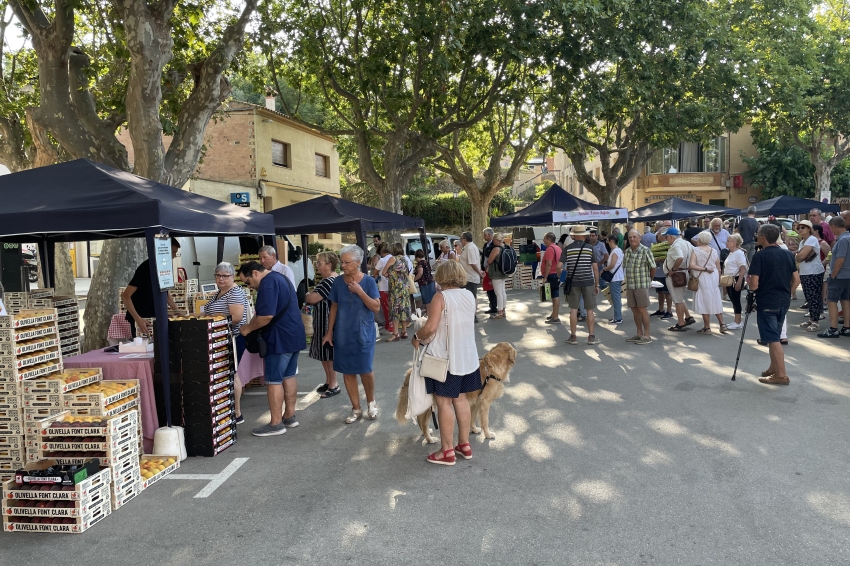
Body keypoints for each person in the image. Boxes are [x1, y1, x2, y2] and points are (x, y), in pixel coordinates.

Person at [412, 261, 481, 466]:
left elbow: (431, 327)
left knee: (444, 403)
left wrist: (416, 336)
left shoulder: (440, 297)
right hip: (467, 357)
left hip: (445, 359)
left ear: (441, 276)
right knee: (461, 400)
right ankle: (464, 444)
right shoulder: (469, 295)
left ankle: (447, 450)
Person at [238, 261, 306, 437]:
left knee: (274, 380)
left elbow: (266, 316)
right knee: (289, 375)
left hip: (279, 337)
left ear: (255, 273)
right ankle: (290, 416)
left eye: (248, 282)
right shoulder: (281, 278)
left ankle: (276, 423)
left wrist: (247, 328)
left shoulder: (268, 284)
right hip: (294, 334)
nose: (250, 287)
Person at [323, 245, 381, 422]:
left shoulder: (369, 282)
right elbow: (334, 306)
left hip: (363, 331)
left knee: (365, 369)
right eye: (342, 262)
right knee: (347, 372)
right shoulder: (338, 282)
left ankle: (371, 403)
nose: (343, 265)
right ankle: (356, 409)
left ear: (358, 262)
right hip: (343, 332)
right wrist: (329, 332)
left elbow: (376, 306)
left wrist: (359, 291)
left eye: (347, 262)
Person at [748, 224, 798, 384]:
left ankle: (781, 374)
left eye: (758, 235)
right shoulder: (787, 254)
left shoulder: (760, 256)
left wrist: (751, 288)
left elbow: (754, 283)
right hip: (783, 299)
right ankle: (773, 367)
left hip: (767, 300)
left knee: (773, 338)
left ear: (763, 238)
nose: (756, 237)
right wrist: (787, 293)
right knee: (773, 336)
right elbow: (796, 279)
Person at [201, 262, 250, 424]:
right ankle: (227, 409)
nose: (221, 279)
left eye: (225, 276)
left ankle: (237, 413)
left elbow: (236, 317)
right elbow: (208, 311)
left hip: (232, 338)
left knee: (233, 374)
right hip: (219, 338)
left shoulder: (234, 292)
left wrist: (212, 319)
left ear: (233, 276)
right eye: (218, 275)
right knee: (226, 374)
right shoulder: (220, 292)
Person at [123, 238, 181, 338]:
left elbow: (166, 293)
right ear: (163, 250)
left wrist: (178, 312)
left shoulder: (164, 268)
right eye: (173, 252)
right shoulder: (146, 268)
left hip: (155, 317)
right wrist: (138, 319)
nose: (174, 256)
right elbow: (126, 296)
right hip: (142, 318)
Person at [305, 251, 341, 399]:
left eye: (319, 263)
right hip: (323, 321)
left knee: (328, 354)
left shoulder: (328, 281)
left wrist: (307, 295)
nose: (317, 266)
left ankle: (333, 384)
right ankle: (329, 382)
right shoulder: (332, 279)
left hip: (326, 322)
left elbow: (312, 298)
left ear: (329, 264)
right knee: (324, 354)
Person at [562, 226, 601, 345]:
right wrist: (597, 284)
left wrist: (563, 278)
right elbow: (595, 268)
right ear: (584, 236)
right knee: (589, 310)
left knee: (573, 309)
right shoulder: (590, 248)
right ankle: (591, 337)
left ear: (573, 236)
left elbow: (559, 266)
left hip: (573, 282)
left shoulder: (567, 248)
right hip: (588, 282)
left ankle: (573, 337)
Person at [818, 217, 850, 338]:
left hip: (840, 276)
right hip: (848, 276)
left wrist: (833, 275)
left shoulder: (842, 240)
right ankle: (847, 327)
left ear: (834, 226)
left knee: (832, 301)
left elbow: (840, 260)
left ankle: (833, 328)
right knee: (845, 300)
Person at [689, 231, 727, 334]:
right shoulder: (713, 250)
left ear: (700, 240)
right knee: (714, 298)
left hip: (703, 276)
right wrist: (719, 278)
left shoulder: (696, 250)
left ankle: (707, 327)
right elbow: (718, 267)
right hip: (713, 275)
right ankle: (722, 323)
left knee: (704, 299)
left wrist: (704, 268)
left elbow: (692, 265)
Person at [623, 229, 656, 344]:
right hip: (631, 285)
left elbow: (653, 267)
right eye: (630, 237)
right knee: (634, 310)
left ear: (639, 238)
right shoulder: (627, 251)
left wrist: (649, 280)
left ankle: (647, 335)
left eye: (634, 237)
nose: (632, 239)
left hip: (641, 284)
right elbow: (625, 267)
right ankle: (639, 333)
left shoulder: (645, 250)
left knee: (642, 309)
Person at [662, 228, 696, 331]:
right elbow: (694, 253)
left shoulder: (676, 245)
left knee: (677, 300)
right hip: (682, 272)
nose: (666, 239)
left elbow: (680, 257)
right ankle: (688, 317)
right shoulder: (687, 243)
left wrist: (673, 269)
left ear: (671, 237)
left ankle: (681, 323)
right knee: (680, 297)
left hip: (676, 275)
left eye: (666, 237)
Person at [795, 220, 825, 332]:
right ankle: (812, 318)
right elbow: (799, 256)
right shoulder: (803, 241)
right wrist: (798, 256)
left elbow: (801, 256)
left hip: (814, 271)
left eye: (803, 227)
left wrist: (798, 256)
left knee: (814, 297)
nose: (800, 229)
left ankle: (815, 321)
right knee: (808, 297)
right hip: (805, 271)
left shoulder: (812, 239)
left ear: (809, 228)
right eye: (798, 228)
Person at [381, 242, 413, 341]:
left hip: (396, 288)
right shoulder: (405, 259)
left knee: (395, 310)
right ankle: (404, 331)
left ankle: (395, 333)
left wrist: (390, 275)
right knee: (403, 309)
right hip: (404, 288)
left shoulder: (393, 259)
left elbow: (383, 272)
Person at [723, 234, 748, 330]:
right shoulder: (731, 252)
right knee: (733, 300)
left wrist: (739, 281)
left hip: (736, 279)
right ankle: (736, 320)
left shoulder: (738, 253)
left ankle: (738, 321)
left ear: (734, 243)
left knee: (736, 300)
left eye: (728, 241)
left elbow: (743, 268)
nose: (727, 242)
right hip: (730, 279)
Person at [484, 233, 508, 319]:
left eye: (494, 239)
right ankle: (503, 309)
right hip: (503, 272)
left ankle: (500, 311)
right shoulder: (505, 247)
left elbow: (489, 261)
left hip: (496, 273)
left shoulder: (496, 249)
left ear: (497, 240)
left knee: (498, 293)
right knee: (502, 292)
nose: (493, 241)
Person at [457, 232, 481, 321]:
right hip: (467, 276)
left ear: (464, 239)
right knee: (470, 296)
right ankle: (471, 314)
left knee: (472, 296)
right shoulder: (469, 248)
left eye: (461, 239)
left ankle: (473, 315)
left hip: (470, 277)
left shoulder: (470, 248)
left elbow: (472, 263)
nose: (460, 241)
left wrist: (479, 272)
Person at [372, 243, 394, 334]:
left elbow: (375, 272)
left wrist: (377, 275)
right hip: (393, 286)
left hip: (383, 286)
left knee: (386, 308)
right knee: (392, 307)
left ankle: (389, 327)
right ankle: (393, 326)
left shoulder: (382, 260)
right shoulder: (393, 258)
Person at [541, 232, 562, 324]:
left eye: (544, 238)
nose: (543, 240)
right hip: (557, 274)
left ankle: (555, 316)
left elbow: (549, 263)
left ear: (549, 239)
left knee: (555, 295)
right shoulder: (558, 248)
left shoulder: (550, 249)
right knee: (554, 295)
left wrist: (545, 276)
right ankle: (554, 314)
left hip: (551, 274)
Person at [603, 234, 624, 324]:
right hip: (618, 276)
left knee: (616, 298)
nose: (608, 243)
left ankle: (618, 318)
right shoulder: (619, 250)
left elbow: (612, 264)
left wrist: (604, 269)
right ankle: (617, 317)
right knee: (617, 298)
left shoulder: (615, 251)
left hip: (615, 277)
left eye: (608, 241)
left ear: (612, 241)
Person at [481, 228, 498, 314]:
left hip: (492, 269)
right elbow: (484, 257)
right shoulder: (485, 245)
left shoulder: (494, 245)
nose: (483, 237)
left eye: (485, 235)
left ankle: (494, 307)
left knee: (493, 289)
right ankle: (492, 306)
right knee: (488, 289)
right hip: (485, 269)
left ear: (489, 235)